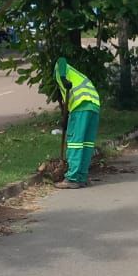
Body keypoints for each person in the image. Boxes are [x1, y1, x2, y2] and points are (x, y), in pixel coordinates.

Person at [55, 58, 100, 188]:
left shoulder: (60, 70)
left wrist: (62, 78)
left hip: (81, 107)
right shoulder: (76, 75)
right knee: (86, 144)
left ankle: (72, 178)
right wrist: (66, 119)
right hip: (94, 105)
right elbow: (68, 102)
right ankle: (81, 177)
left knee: (75, 142)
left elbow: (61, 60)